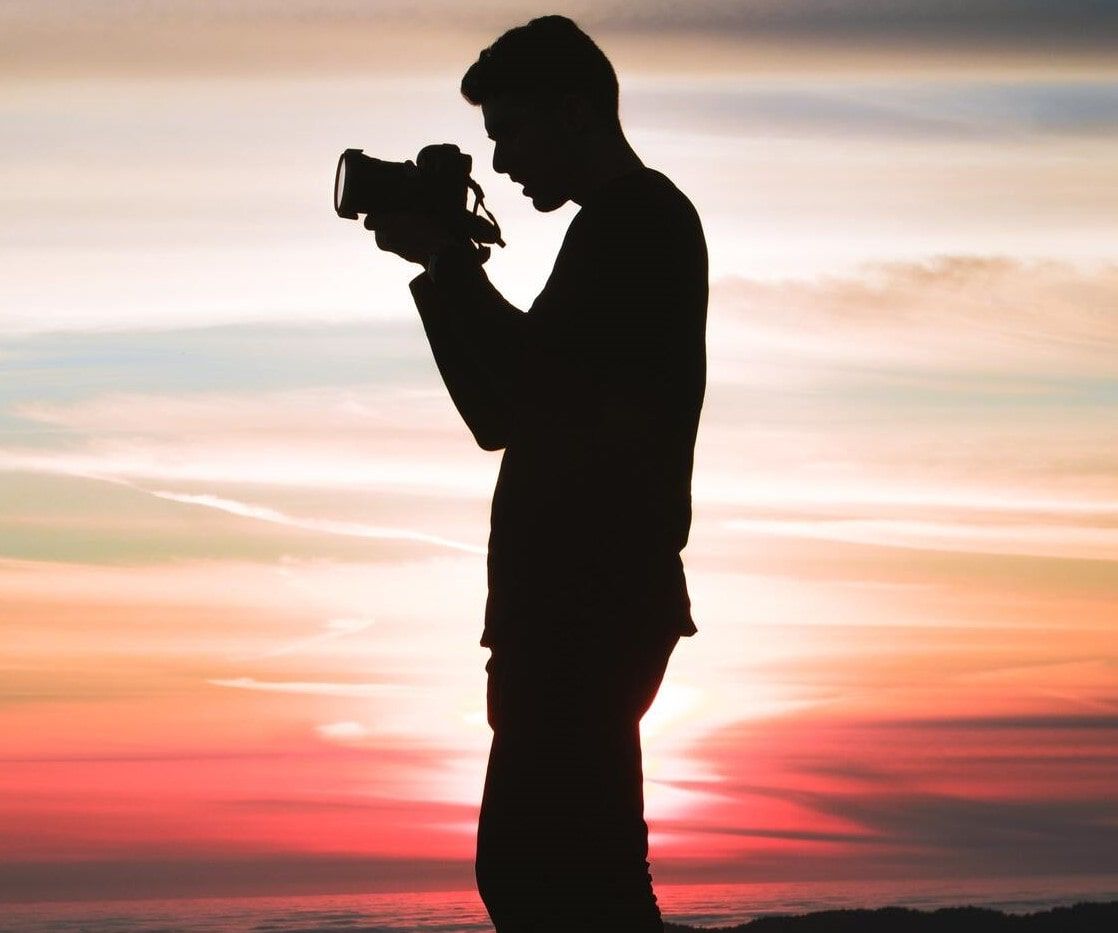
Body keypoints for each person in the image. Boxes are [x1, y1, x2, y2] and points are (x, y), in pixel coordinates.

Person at [367, 15, 707, 932]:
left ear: (574, 112)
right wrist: (441, 269)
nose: (504, 162)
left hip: (586, 604)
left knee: (544, 872)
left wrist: (447, 258)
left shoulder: (639, 222)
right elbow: (500, 416)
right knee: (562, 871)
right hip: (568, 607)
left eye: (511, 131)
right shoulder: (618, 229)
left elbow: (523, 385)